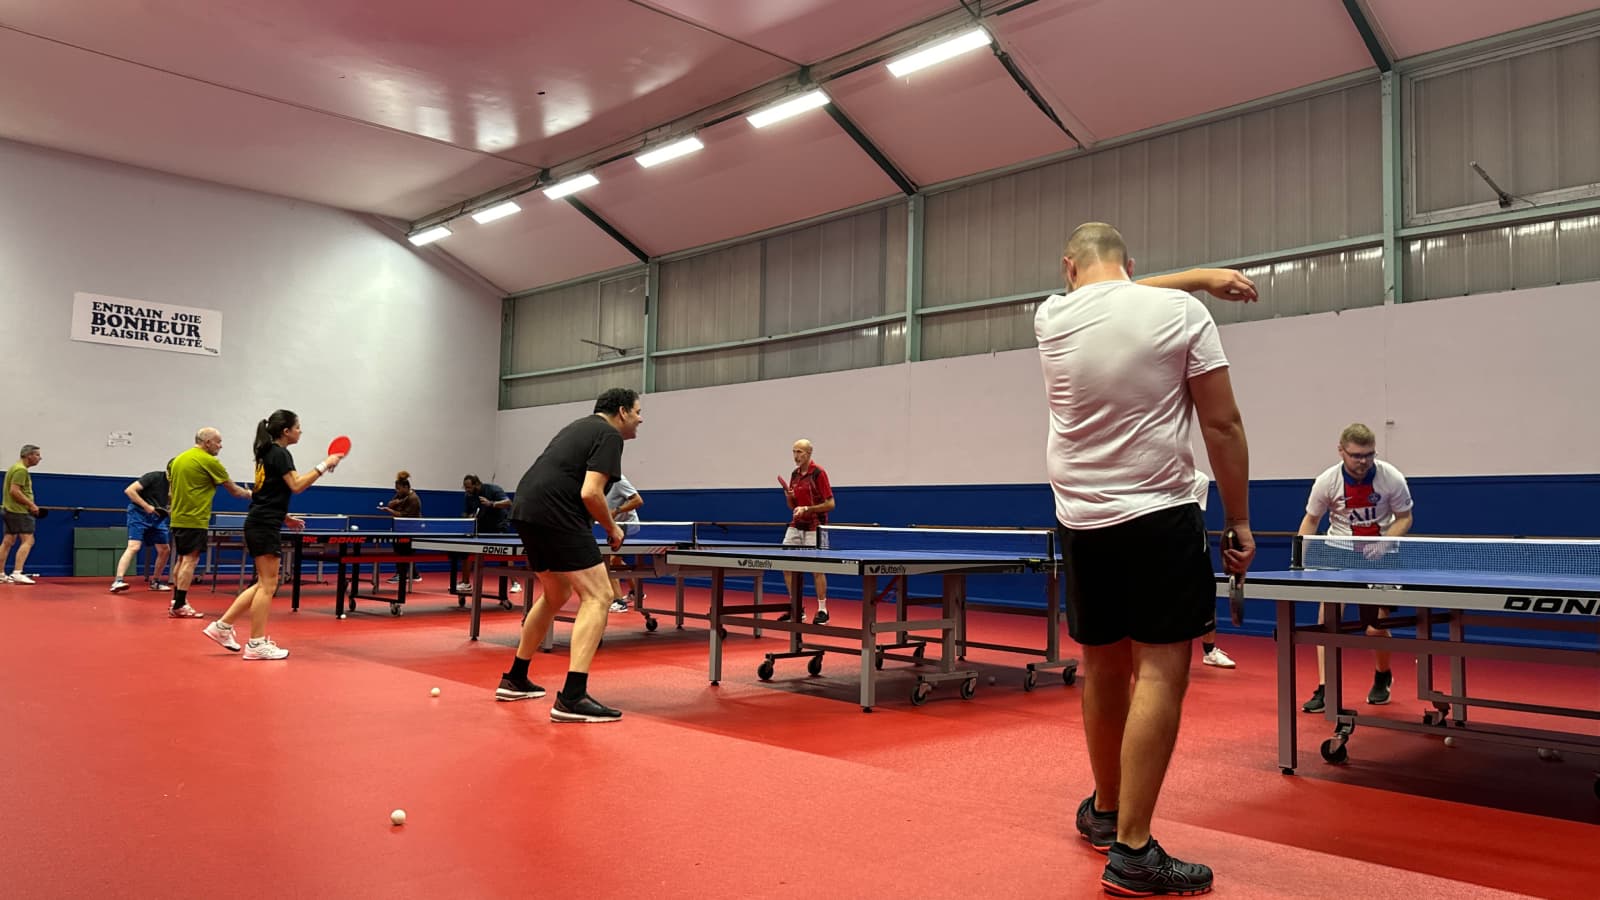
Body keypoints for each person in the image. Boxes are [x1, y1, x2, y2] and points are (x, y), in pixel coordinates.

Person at [1038, 223, 1257, 897]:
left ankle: (1107, 811)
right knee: (1162, 669)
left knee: (1102, 662)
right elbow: (1221, 424)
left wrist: (1194, 276)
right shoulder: (1182, 313)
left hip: (1079, 520)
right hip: (1159, 515)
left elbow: (1112, 295)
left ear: (1068, 267)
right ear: (1130, 264)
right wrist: (1240, 519)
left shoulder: (1051, 316)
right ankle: (1133, 851)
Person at [494, 387, 644, 723]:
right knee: (600, 595)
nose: (640, 418)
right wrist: (612, 528)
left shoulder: (577, 427)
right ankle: (573, 697)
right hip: (556, 512)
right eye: (637, 411)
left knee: (557, 592)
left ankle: (516, 678)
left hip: (526, 507)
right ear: (621, 412)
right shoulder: (609, 434)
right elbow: (590, 492)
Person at [202, 410, 343, 660]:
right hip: (263, 525)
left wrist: (284, 516)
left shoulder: (266, 453)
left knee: (262, 583)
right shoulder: (280, 453)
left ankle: (222, 627)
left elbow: (264, 493)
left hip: (261, 520)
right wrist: (325, 463)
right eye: (298, 427)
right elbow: (297, 485)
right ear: (286, 431)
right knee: (268, 585)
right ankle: (256, 644)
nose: (301, 431)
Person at [1298, 423, 1414, 713]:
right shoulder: (1327, 481)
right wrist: (1298, 559)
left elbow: (1404, 517)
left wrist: (1385, 543)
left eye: (1369, 455)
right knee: (1328, 622)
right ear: (1341, 451)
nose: (1363, 461)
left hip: (1381, 556)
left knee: (1375, 628)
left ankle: (1382, 675)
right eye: (1356, 455)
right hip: (1339, 553)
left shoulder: (1391, 478)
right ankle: (1325, 688)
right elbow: (1311, 521)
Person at [166, 429, 253, 618]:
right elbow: (235, 491)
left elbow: (171, 493)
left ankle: (176, 601)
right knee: (190, 560)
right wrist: (252, 494)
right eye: (218, 442)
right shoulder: (209, 461)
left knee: (182, 559)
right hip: (195, 519)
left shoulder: (178, 459)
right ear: (207, 442)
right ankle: (179, 605)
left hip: (178, 518)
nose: (220, 446)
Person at [779, 439, 835, 624]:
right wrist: (789, 498)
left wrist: (808, 509)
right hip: (796, 525)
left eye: (800, 452)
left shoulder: (818, 473)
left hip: (816, 526)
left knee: (816, 569)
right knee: (786, 565)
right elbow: (792, 506)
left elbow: (830, 504)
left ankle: (822, 610)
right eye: (794, 451)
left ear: (809, 453)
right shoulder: (794, 475)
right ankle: (797, 608)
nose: (796, 456)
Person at [1190, 471, 1236, 669]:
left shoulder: (1199, 479)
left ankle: (1210, 651)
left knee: (1207, 597)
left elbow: (1194, 517)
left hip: (1190, 544)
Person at [111, 463, 176, 597]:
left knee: (165, 550)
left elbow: (170, 499)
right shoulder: (154, 477)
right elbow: (130, 490)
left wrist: (169, 510)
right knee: (134, 546)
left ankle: (156, 582)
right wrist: (146, 506)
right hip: (139, 514)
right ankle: (118, 581)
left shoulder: (177, 483)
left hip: (158, 517)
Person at [459, 474, 514, 594]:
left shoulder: (493, 489)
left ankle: (515, 583)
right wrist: (469, 516)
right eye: (465, 487)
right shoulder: (469, 496)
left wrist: (491, 504)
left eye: (469, 487)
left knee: (505, 554)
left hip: (498, 525)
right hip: (482, 527)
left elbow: (508, 503)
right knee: (467, 551)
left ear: (477, 484)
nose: (467, 490)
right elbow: (466, 513)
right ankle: (466, 583)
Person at [1, 444, 44, 585]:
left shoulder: (14, 468)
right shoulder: (21, 471)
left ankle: (1, 574)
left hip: (9, 510)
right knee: (28, 541)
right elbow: (14, 491)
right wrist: (31, 505)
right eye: (37, 455)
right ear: (29, 455)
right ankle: (17, 572)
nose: (40, 458)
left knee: (7, 542)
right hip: (19, 511)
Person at [606, 474, 643, 613]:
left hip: (628, 526)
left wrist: (617, 511)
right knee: (615, 562)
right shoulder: (597, 483)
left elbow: (638, 501)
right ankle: (636, 592)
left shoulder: (619, 480)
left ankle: (618, 602)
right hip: (614, 527)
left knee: (609, 562)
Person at [380, 470, 423, 584]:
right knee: (403, 552)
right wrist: (391, 504)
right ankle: (414, 574)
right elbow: (393, 502)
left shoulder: (413, 499)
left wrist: (390, 510)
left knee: (403, 552)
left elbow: (404, 516)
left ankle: (401, 574)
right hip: (401, 529)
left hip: (412, 529)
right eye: (396, 489)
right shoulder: (401, 495)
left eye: (398, 488)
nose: (397, 491)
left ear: (405, 487)